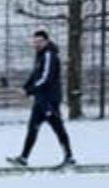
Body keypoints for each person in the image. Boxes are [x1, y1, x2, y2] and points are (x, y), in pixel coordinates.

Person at [8, 29, 74, 167]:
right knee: (33, 127)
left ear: (46, 41)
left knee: (57, 127)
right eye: (35, 41)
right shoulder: (40, 55)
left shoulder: (49, 55)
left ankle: (69, 157)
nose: (36, 44)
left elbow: (46, 78)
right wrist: (25, 88)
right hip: (41, 99)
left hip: (50, 100)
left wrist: (29, 91)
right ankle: (24, 158)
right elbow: (35, 75)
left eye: (40, 41)